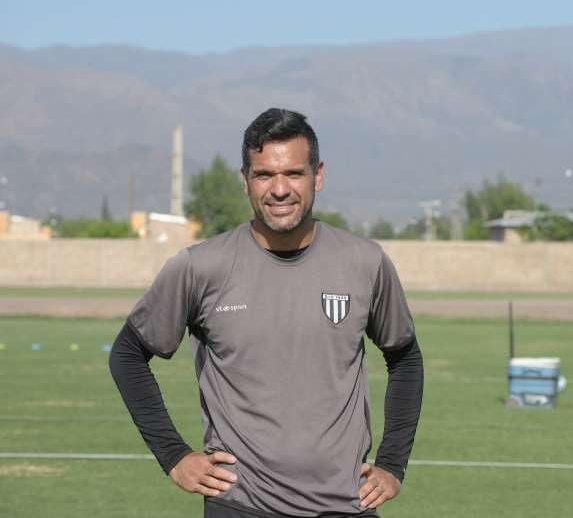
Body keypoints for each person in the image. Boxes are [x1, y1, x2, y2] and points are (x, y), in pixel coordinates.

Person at [109, 108, 424, 518]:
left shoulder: (365, 262)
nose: (279, 189)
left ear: (318, 175)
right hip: (240, 506)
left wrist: (392, 463)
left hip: (347, 506)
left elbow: (405, 357)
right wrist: (174, 456)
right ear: (245, 181)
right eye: (263, 175)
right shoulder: (200, 267)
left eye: (294, 173)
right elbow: (127, 356)